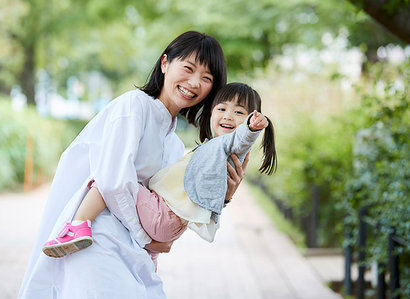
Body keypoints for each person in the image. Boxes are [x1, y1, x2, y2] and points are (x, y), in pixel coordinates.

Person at [18, 31, 248, 299]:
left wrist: (223, 197)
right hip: (96, 242)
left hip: (136, 256)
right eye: (188, 68)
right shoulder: (133, 107)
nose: (194, 82)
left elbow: (174, 210)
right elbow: (112, 181)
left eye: (207, 78)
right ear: (164, 64)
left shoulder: (174, 146)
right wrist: (146, 239)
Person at [42, 82, 277, 268]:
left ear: (250, 117)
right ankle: (150, 259)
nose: (228, 116)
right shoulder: (211, 148)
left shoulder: (229, 146)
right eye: (222, 109)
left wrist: (251, 129)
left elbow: (241, 140)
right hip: (169, 223)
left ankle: (77, 226)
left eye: (239, 113)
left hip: (164, 217)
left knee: (106, 180)